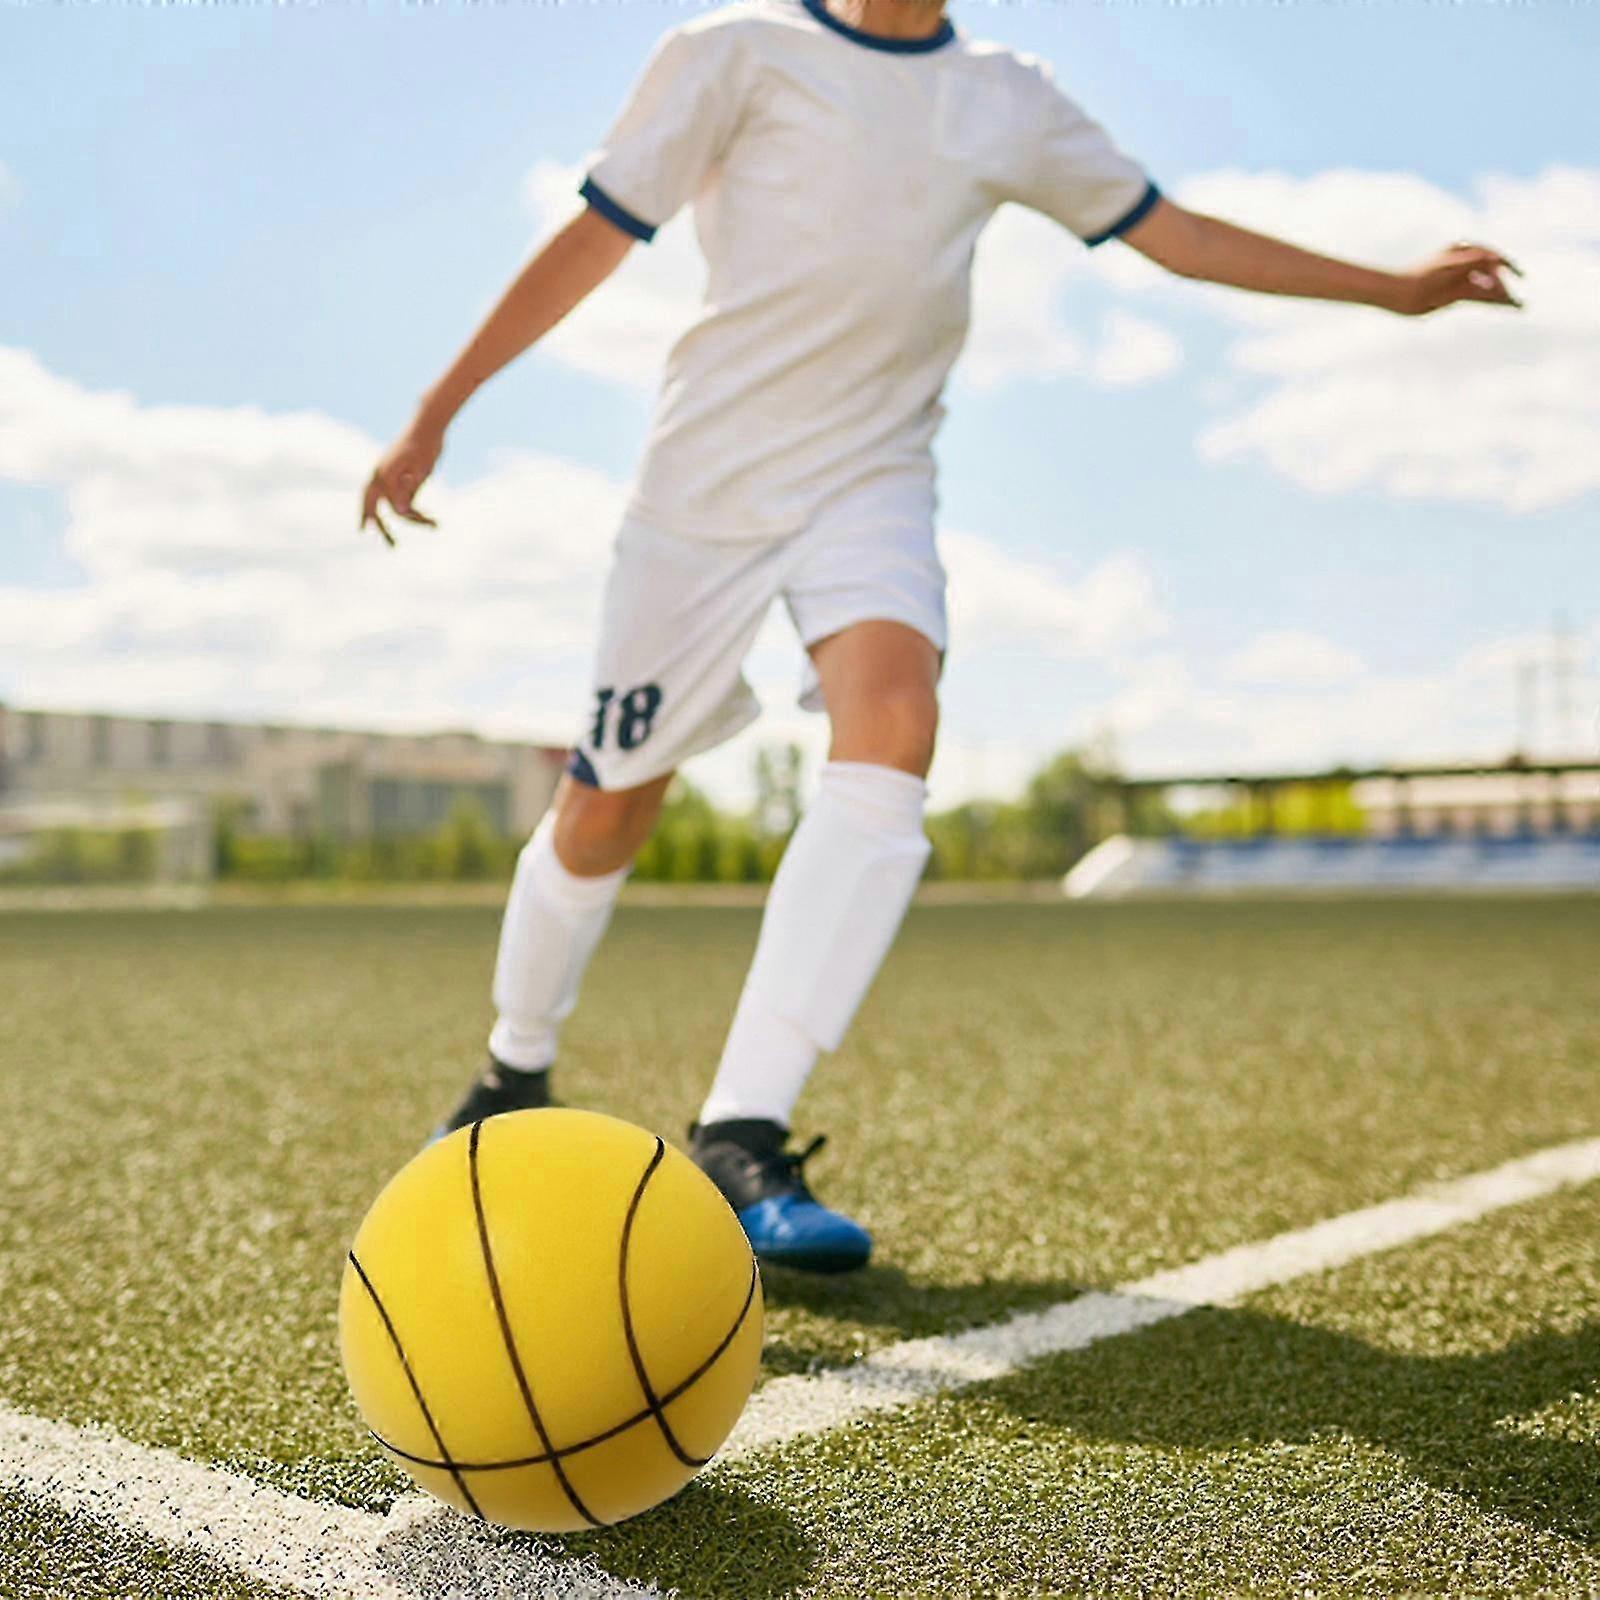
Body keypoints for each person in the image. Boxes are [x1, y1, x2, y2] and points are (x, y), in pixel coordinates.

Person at [361, 0, 1520, 1274]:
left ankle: (742, 1130)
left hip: (871, 480)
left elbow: (1177, 235)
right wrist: (435, 410)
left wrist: (1392, 290)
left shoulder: (1006, 97)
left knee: (896, 721)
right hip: (701, 494)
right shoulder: (734, 51)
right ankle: (514, 1065)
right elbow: (594, 237)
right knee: (607, 810)